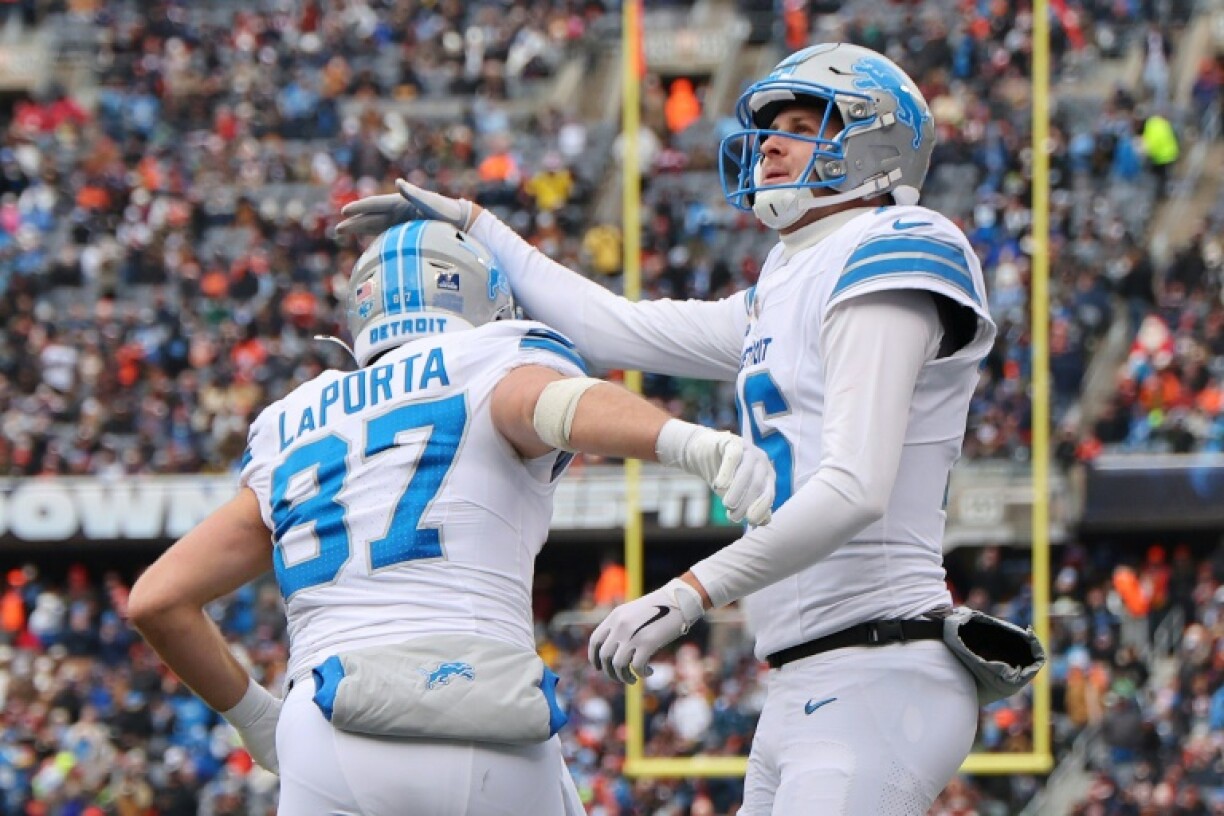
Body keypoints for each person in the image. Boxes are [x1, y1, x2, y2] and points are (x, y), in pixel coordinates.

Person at [338, 42, 1003, 814]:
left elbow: (854, 486)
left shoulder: (896, 243)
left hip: (879, 660)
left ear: (876, 141)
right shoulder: (781, 284)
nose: (774, 143)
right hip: (804, 677)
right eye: (771, 126)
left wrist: (688, 592)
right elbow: (615, 328)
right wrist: (478, 225)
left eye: (801, 121)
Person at [127, 221, 776, 816]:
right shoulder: (488, 357)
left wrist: (260, 720)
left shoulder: (294, 419)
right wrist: (688, 441)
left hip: (327, 720)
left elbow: (158, 600)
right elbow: (551, 403)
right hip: (479, 707)